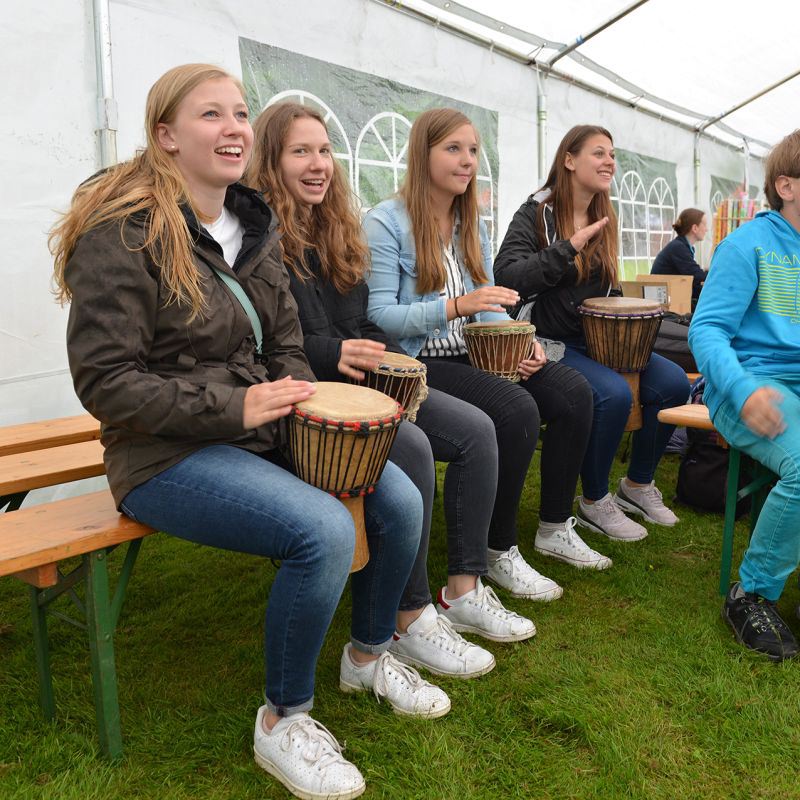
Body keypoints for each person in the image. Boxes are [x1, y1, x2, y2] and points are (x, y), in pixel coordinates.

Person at [50, 64, 443, 800]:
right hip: (161, 454)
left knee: (397, 495)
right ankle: (283, 719)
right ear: (165, 136)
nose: (234, 127)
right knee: (323, 530)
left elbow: (286, 345)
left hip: (254, 430)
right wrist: (236, 408)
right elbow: (107, 383)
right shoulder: (122, 233)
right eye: (211, 115)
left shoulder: (251, 225)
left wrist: (290, 395)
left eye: (240, 112)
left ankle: (367, 654)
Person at [246, 102, 534, 683]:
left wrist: (393, 364)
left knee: (485, 427)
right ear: (271, 161)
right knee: (414, 448)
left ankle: (464, 586)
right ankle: (409, 614)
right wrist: (344, 354)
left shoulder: (337, 228)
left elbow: (368, 321)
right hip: (307, 396)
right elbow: (285, 342)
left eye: (324, 151)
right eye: (300, 151)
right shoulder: (264, 240)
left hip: (363, 383)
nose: (318, 164)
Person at [365, 107, 606, 595]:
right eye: (453, 149)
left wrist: (523, 341)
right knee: (516, 409)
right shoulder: (386, 221)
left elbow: (490, 306)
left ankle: (555, 527)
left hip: (475, 352)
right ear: (422, 153)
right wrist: (454, 307)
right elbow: (380, 318)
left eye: (473, 150)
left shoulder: (468, 222)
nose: (467, 160)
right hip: (418, 362)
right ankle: (494, 552)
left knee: (572, 391)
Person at [494, 125, 689, 542]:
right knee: (613, 394)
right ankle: (594, 500)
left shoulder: (605, 213)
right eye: (599, 153)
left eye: (613, 155)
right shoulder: (535, 213)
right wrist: (568, 247)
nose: (610, 163)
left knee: (673, 384)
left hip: (597, 338)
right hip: (548, 341)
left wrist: (622, 309)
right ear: (569, 159)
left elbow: (606, 287)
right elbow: (508, 277)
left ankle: (636, 484)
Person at [689, 129, 800, 662]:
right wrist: (742, 388)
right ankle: (752, 592)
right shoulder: (746, 245)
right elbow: (705, 331)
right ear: (787, 185)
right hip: (751, 389)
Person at [651, 208, 708, 299]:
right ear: (695, 228)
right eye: (704, 225)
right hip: (664, 300)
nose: (707, 229)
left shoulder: (681, 246)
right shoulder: (678, 248)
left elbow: (693, 277)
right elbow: (697, 276)